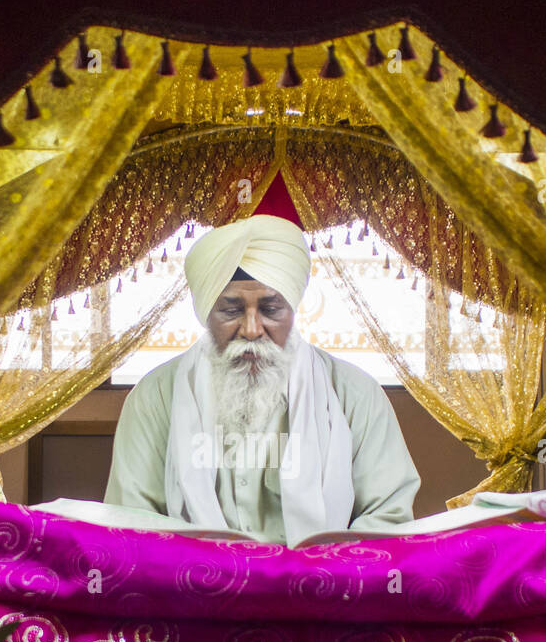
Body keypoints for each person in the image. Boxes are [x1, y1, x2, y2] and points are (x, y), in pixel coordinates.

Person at [103, 209, 420, 546]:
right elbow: (131, 524)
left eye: (270, 310)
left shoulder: (355, 394)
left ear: (293, 310)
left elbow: (387, 521)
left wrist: (305, 580)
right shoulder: (155, 396)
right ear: (205, 313)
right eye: (231, 310)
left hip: (318, 592)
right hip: (193, 591)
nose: (252, 330)